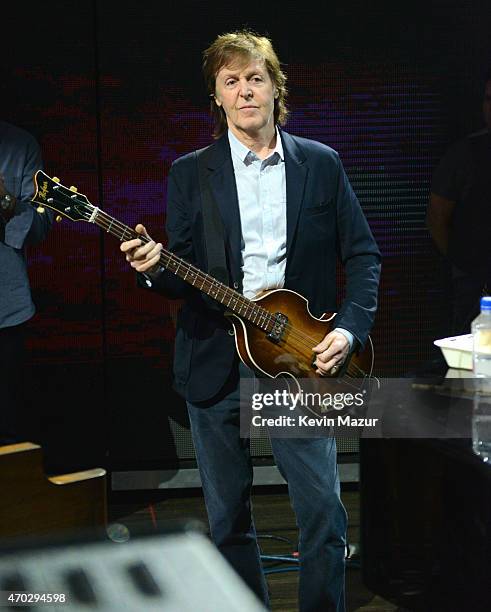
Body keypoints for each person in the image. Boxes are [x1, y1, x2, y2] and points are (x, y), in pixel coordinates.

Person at [120, 31, 381, 612]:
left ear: (275, 87)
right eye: (231, 81)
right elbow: (176, 274)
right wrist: (150, 268)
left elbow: (363, 255)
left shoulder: (320, 163)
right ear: (216, 95)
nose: (245, 92)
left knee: (323, 513)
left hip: (299, 354)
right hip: (215, 356)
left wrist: (349, 328)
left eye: (255, 78)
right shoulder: (190, 173)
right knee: (228, 520)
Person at [0, 121, 52, 444]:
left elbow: (41, 227)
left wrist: (5, 201)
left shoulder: (20, 147)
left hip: (5, 314)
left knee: (9, 433)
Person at [427, 75, 491, 335]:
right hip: (475, 284)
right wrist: (463, 263)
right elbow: (437, 217)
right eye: (488, 99)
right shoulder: (465, 154)